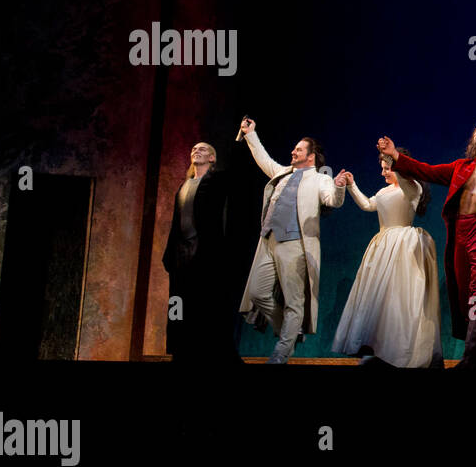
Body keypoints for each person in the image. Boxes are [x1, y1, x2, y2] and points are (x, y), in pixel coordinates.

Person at [378, 103, 476, 371]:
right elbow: (427, 171)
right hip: (461, 233)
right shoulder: (462, 167)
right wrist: (396, 157)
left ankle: (471, 356)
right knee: (465, 293)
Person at [238, 119, 348, 364]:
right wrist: (251, 134)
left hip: (295, 244)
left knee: (295, 301)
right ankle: (289, 331)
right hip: (268, 240)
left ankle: (281, 353)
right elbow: (264, 159)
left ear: (310, 157)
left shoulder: (320, 179)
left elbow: (332, 200)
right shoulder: (283, 172)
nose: (292, 152)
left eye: (298, 149)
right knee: (257, 292)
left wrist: (339, 186)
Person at [331, 149, 443, 368]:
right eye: (381, 167)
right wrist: (352, 185)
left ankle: (401, 349)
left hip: (403, 244)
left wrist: (397, 161)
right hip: (382, 245)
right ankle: (378, 347)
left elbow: (408, 189)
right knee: (379, 299)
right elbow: (368, 205)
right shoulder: (383, 191)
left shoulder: (413, 187)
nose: (383, 172)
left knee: (400, 298)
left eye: (387, 168)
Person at [161, 141, 238, 364]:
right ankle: (179, 349)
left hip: (204, 254)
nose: (197, 151)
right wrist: (170, 253)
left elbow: (234, 172)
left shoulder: (216, 182)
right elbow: (177, 222)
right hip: (181, 255)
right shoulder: (184, 186)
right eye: (194, 148)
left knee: (202, 304)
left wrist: (242, 138)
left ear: (212, 159)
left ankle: (205, 351)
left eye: (203, 149)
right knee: (177, 304)